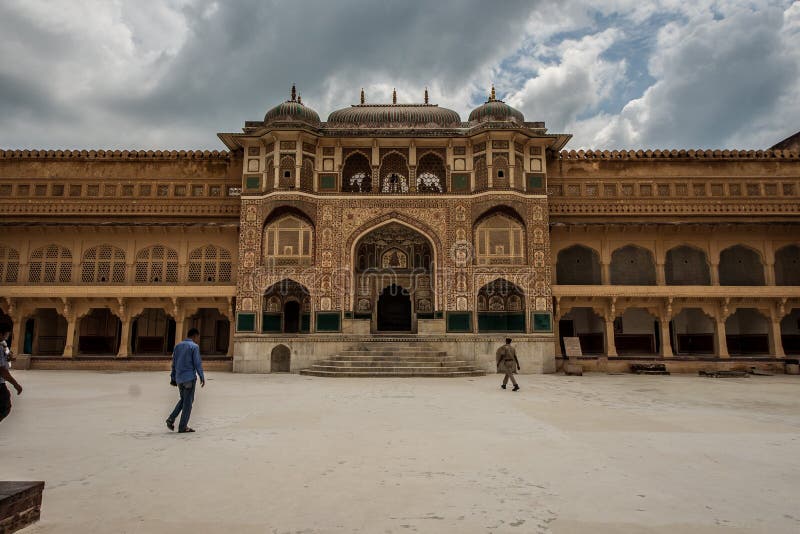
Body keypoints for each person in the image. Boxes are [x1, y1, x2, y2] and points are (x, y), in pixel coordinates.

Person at [166, 328, 205, 433]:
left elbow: (174, 363)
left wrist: (173, 377)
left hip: (179, 378)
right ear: (195, 336)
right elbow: (197, 363)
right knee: (188, 403)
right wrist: (202, 376)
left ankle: (171, 419)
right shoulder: (194, 347)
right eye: (198, 337)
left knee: (184, 400)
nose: (198, 339)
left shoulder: (178, 346)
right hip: (189, 378)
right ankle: (182, 426)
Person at [1, 328, 23, 423]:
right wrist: (15, 384)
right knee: (4, 407)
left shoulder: (3, 346)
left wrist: (8, 358)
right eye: (6, 335)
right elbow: (2, 370)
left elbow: (5, 360)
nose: (7, 337)